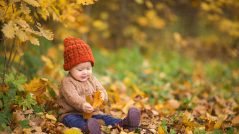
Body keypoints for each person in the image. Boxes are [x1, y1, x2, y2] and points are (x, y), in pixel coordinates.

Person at [57, 37, 140, 134]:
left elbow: (100, 89)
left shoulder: (91, 78)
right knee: (73, 121)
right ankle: (88, 129)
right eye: (80, 70)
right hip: (72, 113)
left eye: (88, 68)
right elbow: (72, 97)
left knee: (105, 118)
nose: (85, 72)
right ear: (69, 68)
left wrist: (102, 95)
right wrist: (82, 104)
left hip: (93, 113)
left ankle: (125, 123)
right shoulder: (67, 82)